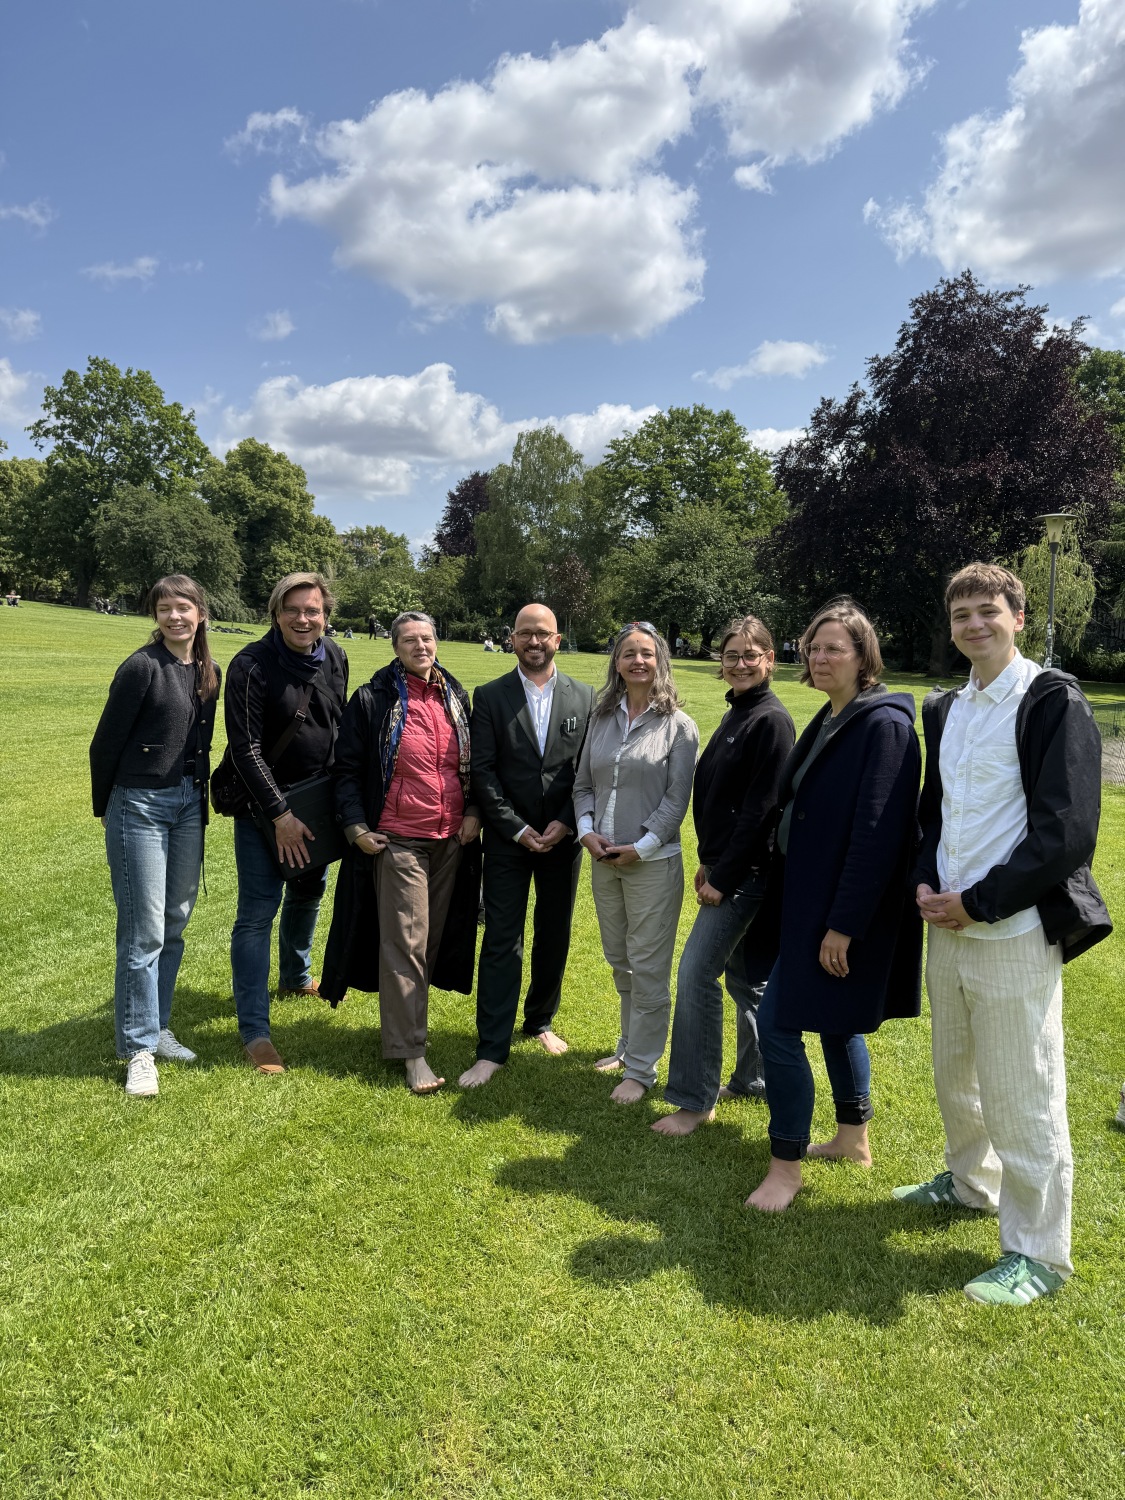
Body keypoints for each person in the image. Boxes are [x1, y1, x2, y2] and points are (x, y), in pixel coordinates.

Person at [897, 562, 1111, 1305]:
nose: (973, 625)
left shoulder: (1050, 698)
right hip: (948, 926)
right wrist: (927, 881)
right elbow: (938, 812)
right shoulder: (946, 708)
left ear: (1017, 617)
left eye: (987, 611)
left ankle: (1039, 1254)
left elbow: (1064, 833)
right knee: (954, 1075)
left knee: (1023, 1091)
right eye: (960, 615)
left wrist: (978, 902)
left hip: (1011, 929)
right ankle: (968, 1183)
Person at [746, 598, 922, 1212]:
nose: (820, 658)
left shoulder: (885, 726)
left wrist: (843, 925)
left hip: (840, 911)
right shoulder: (832, 717)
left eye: (834, 649)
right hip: (806, 900)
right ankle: (853, 1139)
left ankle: (785, 1167)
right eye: (813, 647)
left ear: (862, 655)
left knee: (779, 1023)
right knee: (838, 1021)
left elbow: (879, 834)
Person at [321, 611, 481, 1093]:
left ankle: (402, 1029)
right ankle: (412, 1054)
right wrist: (354, 826)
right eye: (409, 640)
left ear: (438, 642)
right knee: (407, 943)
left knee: (428, 944)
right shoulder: (373, 700)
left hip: (450, 838)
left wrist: (473, 812)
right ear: (395, 647)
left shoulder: (457, 698)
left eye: (427, 638)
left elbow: (472, 766)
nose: (421, 646)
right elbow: (345, 769)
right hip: (399, 839)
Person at [653, 616, 795, 1136]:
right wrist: (709, 861)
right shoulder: (739, 714)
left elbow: (762, 811)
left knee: (695, 975)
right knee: (744, 981)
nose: (738, 663)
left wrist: (724, 876)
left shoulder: (770, 721)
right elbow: (725, 801)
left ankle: (694, 1100)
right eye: (730, 654)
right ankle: (755, 1078)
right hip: (727, 867)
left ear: (769, 660)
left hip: (747, 876)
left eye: (749, 655)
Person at [89, 575, 220, 1096]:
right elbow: (105, 744)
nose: (174, 617)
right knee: (143, 930)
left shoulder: (210, 673)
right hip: (138, 805)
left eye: (183, 608)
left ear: (201, 614)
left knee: (174, 921)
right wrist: (106, 807)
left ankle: (158, 1025)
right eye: (164, 608)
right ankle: (139, 1048)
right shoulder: (141, 667)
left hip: (189, 804)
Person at [459, 603, 595, 1089]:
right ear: (512, 639)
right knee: (501, 940)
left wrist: (563, 823)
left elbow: (587, 771)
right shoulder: (490, 696)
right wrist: (516, 828)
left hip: (564, 838)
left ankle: (539, 1020)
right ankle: (491, 1048)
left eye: (543, 634)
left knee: (554, 933)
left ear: (558, 639)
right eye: (524, 634)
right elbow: (483, 771)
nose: (534, 642)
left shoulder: (585, 697)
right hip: (506, 839)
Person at [224, 572, 349, 1074]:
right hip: (262, 808)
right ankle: (255, 1030)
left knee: (308, 891)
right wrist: (279, 815)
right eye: (293, 609)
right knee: (257, 912)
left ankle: (296, 975)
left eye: (312, 610)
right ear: (276, 613)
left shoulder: (335, 655)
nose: (303, 619)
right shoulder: (250, 666)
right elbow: (245, 749)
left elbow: (335, 724)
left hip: (315, 803)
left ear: (325, 615)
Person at [574, 623, 698, 1103]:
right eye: (629, 654)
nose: (638, 661)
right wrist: (586, 831)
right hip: (602, 860)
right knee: (620, 962)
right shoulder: (601, 717)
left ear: (660, 661)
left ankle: (642, 1070)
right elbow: (583, 783)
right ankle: (628, 1047)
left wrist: (640, 847)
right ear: (617, 663)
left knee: (647, 968)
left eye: (647, 654)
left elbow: (676, 799)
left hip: (651, 864)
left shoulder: (678, 725)